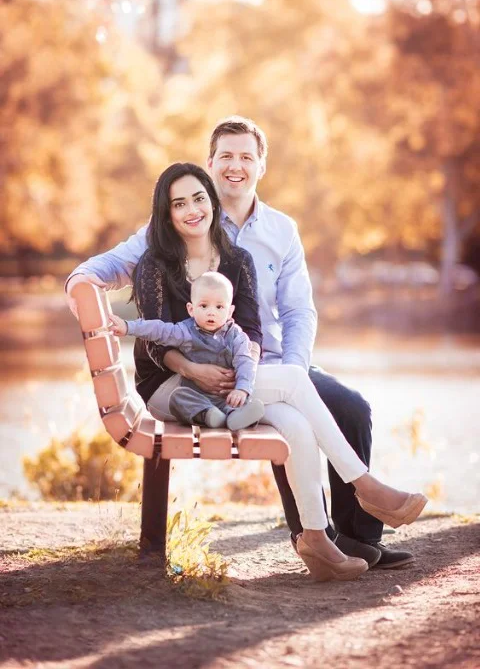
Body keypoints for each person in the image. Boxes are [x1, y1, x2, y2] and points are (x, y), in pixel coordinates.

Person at [66, 116, 417, 569]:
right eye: (226, 157)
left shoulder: (278, 232)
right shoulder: (169, 234)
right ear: (210, 164)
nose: (235, 166)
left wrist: (290, 366)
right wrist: (81, 283)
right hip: (205, 371)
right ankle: (333, 520)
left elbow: (297, 311)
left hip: (271, 362)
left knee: (349, 407)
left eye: (246, 157)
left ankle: (355, 537)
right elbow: (121, 277)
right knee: (292, 410)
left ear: (261, 165)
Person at [109, 271, 265, 431]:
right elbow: (158, 329)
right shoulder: (186, 331)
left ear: (230, 312)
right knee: (178, 397)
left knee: (241, 401)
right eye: (204, 306)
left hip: (226, 396)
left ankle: (235, 415)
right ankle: (209, 415)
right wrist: (128, 327)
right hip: (197, 396)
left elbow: (245, 362)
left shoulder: (236, 336)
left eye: (219, 307)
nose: (211, 312)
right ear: (191, 309)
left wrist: (242, 389)